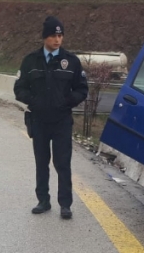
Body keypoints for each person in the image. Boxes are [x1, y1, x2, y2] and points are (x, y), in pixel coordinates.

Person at [14, 16, 88, 219]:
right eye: (53, 35)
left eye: (60, 35)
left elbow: (82, 89)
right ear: (45, 37)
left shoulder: (71, 62)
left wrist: (66, 101)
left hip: (62, 120)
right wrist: (34, 101)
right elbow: (19, 88)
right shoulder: (31, 60)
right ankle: (43, 201)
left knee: (63, 163)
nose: (57, 39)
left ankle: (65, 204)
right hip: (39, 120)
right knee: (41, 161)